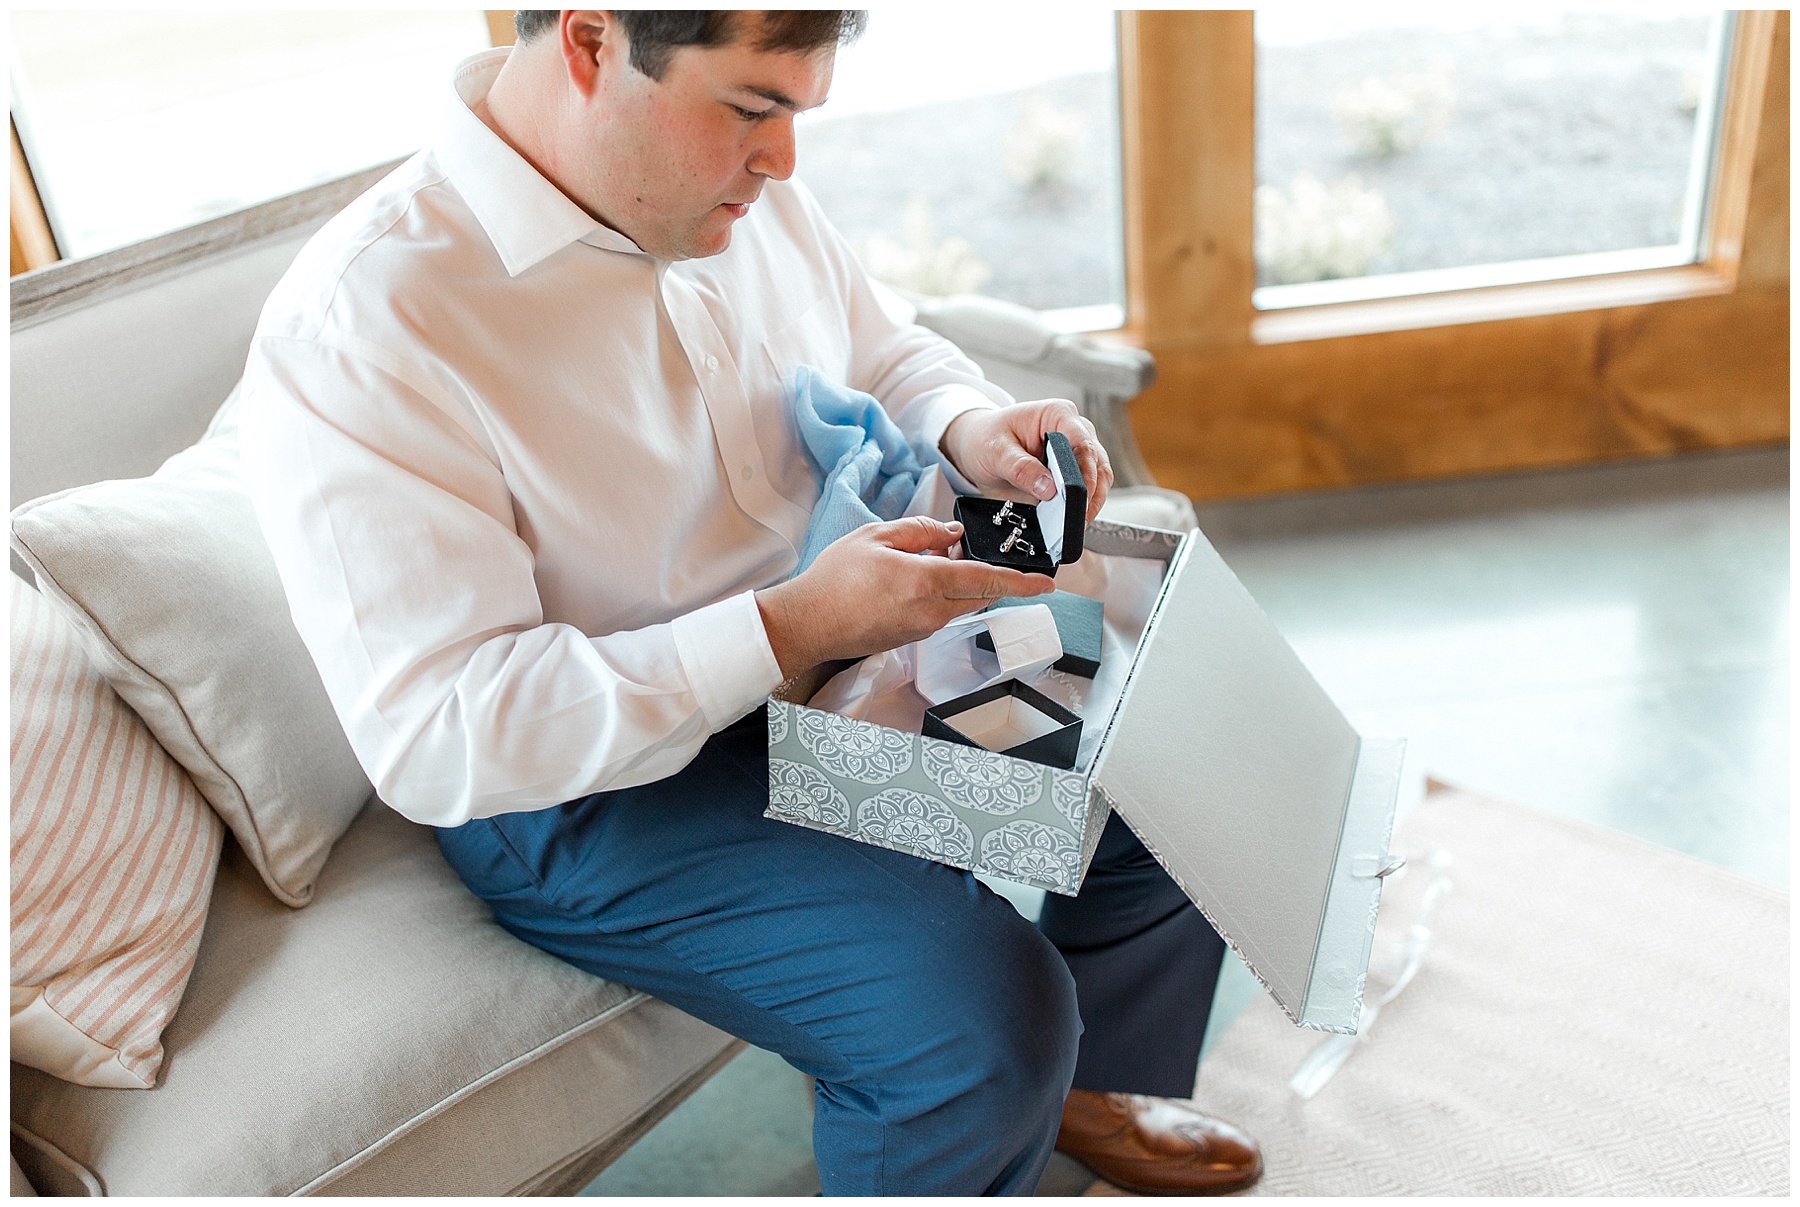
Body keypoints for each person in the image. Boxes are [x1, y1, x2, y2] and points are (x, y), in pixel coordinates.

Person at [241, 10, 1261, 1196]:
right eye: (755, 109)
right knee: (979, 1026)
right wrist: (795, 626)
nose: (784, 164)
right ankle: (1016, 1082)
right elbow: (440, 736)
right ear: (589, 43)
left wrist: (970, 425)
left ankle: (1090, 1087)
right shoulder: (369, 329)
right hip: (593, 785)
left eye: (796, 112)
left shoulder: (729, 187)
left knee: (1181, 766)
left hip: (844, 661)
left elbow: (884, 345)